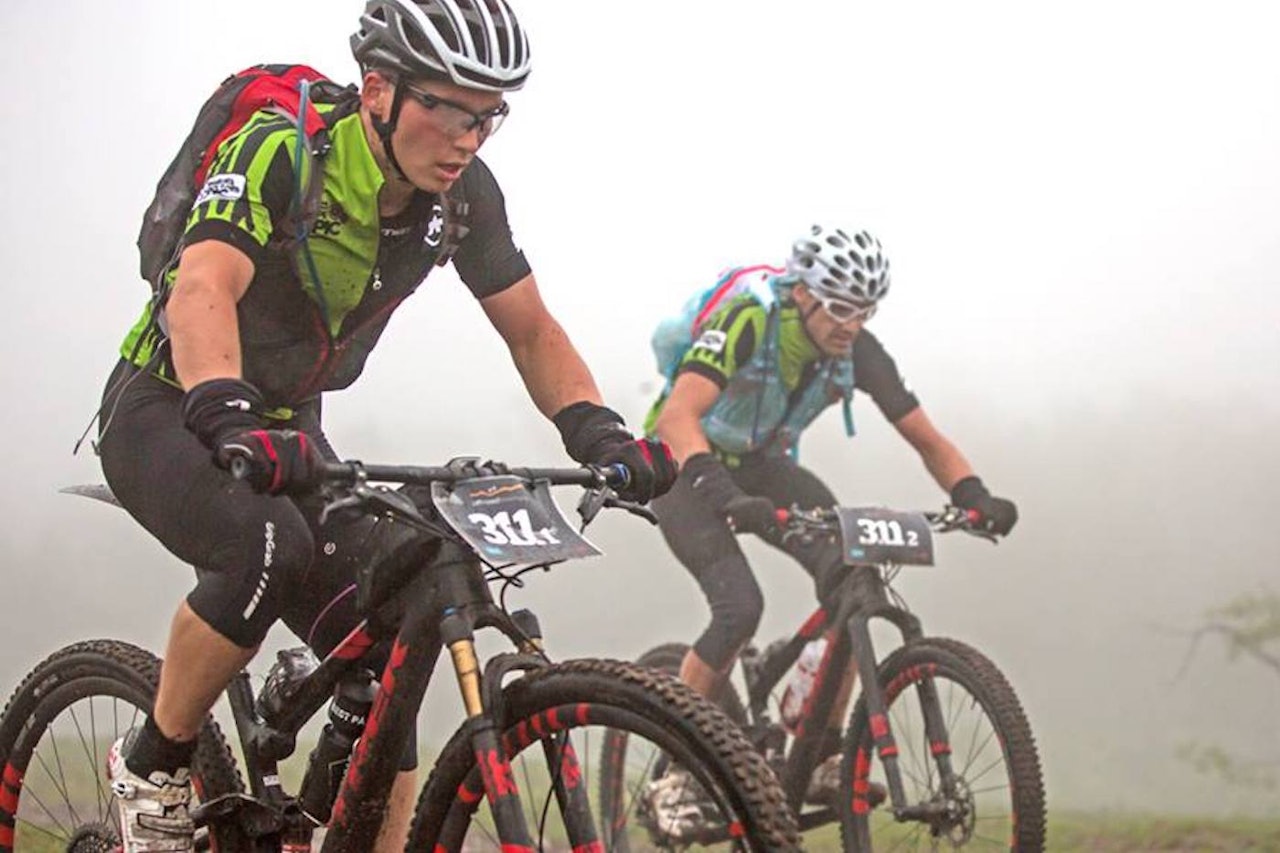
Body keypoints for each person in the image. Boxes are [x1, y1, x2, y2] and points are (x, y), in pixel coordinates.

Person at [95, 1, 675, 849]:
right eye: (446, 106)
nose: (467, 137)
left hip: (288, 425)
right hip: (169, 404)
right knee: (266, 547)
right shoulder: (283, 152)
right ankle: (153, 766)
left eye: (487, 115)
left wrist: (598, 432)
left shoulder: (464, 198)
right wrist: (223, 406)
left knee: (395, 634)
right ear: (377, 90)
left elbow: (530, 328)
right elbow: (203, 285)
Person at [644, 224, 1017, 816]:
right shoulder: (749, 319)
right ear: (802, 293)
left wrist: (973, 492)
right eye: (840, 307)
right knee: (739, 607)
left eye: (864, 311)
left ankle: (818, 752)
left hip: (764, 466)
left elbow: (923, 435)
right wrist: (720, 491)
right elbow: (677, 416)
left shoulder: (857, 351)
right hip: (683, 466)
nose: (851, 323)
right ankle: (676, 773)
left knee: (854, 574)